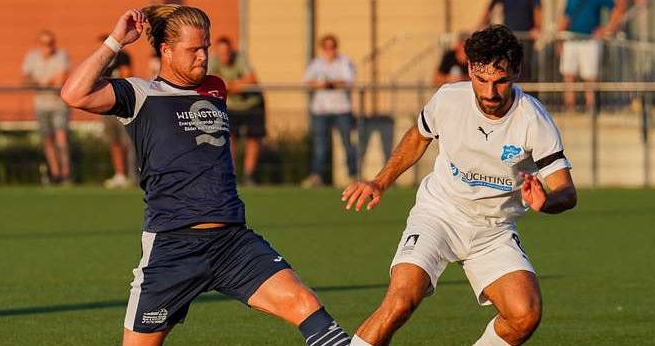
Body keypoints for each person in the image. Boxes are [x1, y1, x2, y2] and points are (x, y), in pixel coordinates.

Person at [60, 6, 351, 346]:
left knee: (307, 305)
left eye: (206, 48)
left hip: (233, 243)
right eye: (193, 50)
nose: (203, 57)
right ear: (166, 51)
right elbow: (73, 94)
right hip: (172, 247)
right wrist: (116, 41)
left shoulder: (215, 88)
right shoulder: (140, 95)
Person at [342, 25, 578, 346]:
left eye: (500, 81)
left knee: (525, 313)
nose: (489, 93)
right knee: (400, 301)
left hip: (493, 229)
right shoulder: (449, 99)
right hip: (439, 214)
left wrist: (546, 203)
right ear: (469, 69)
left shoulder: (533, 119)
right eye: (481, 80)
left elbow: (566, 190)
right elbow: (418, 136)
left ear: (517, 72)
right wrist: (380, 181)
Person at [208, 36, 265, 186]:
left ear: (231, 51)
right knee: (228, 139)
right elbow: (211, 79)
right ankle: (230, 174)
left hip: (252, 105)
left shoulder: (240, 59)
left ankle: (249, 175)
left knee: (253, 139)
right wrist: (232, 85)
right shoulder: (212, 61)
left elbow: (252, 79)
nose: (224, 56)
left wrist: (232, 85)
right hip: (230, 107)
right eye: (221, 53)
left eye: (226, 52)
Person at [301, 34, 357, 187]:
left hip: (341, 110)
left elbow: (349, 80)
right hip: (320, 110)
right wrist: (320, 84)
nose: (329, 50)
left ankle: (353, 175)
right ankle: (317, 176)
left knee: (347, 143)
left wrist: (330, 83)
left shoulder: (344, 62)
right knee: (320, 145)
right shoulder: (316, 64)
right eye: (326, 47)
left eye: (332, 47)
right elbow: (306, 81)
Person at [558, 0, 627, 110]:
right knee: (568, 74)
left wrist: (608, 29)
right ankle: (569, 108)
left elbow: (618, 7)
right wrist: (559, 39)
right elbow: (566, 18)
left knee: (590, 77)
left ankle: (591, 108)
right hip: (571, 40)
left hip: (589, 41)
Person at [22, 30, 71, 184]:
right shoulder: (31, 58)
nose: (48, 47)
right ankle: (55, 173)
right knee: (47, 139)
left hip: (59, 104)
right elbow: (25, 81)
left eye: (51, 43)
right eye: (44, 44)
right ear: (39, 44)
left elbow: (61, 79)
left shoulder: (61, 56)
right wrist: (40, 83)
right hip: (41, 105)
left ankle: (66, 173)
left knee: (61, 137)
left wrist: (45, 82)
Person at [98, 34, 135, 189]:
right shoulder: (99, 61)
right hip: (106, 107)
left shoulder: (122, 57)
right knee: (114, 142)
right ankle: (119, 174)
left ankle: (133, 175)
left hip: (121, 105)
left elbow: (126, 75)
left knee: (128, 141)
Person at [479, 0, 542, 82]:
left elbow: (537, 9)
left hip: (526, 38)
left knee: (524, 67)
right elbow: (490, 7)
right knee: (507, 65)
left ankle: (523, 91)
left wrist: (537, 28)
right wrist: (481, 25)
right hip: (508, 38)